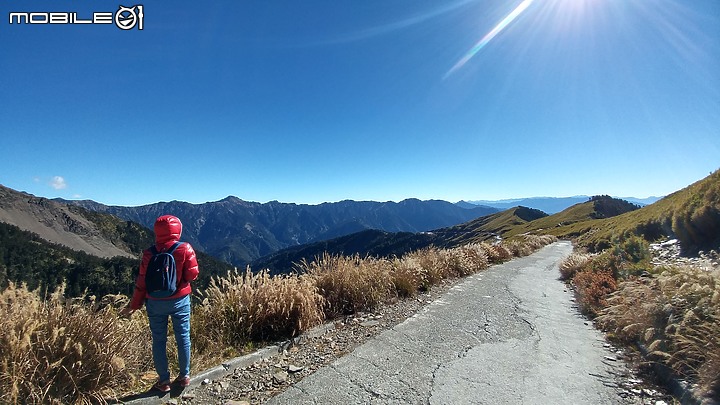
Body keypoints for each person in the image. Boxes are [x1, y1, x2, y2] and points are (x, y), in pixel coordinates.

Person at [120, 215, 199, 392]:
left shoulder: (149, 253)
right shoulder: (185, 248)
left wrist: (135, 305)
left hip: (155, 302)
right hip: (179, 300)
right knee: (183, 337)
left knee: (159, 340)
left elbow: (142, 282)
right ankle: (184, 376)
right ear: (177, 229)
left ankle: (164, 381)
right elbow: (192, 275)